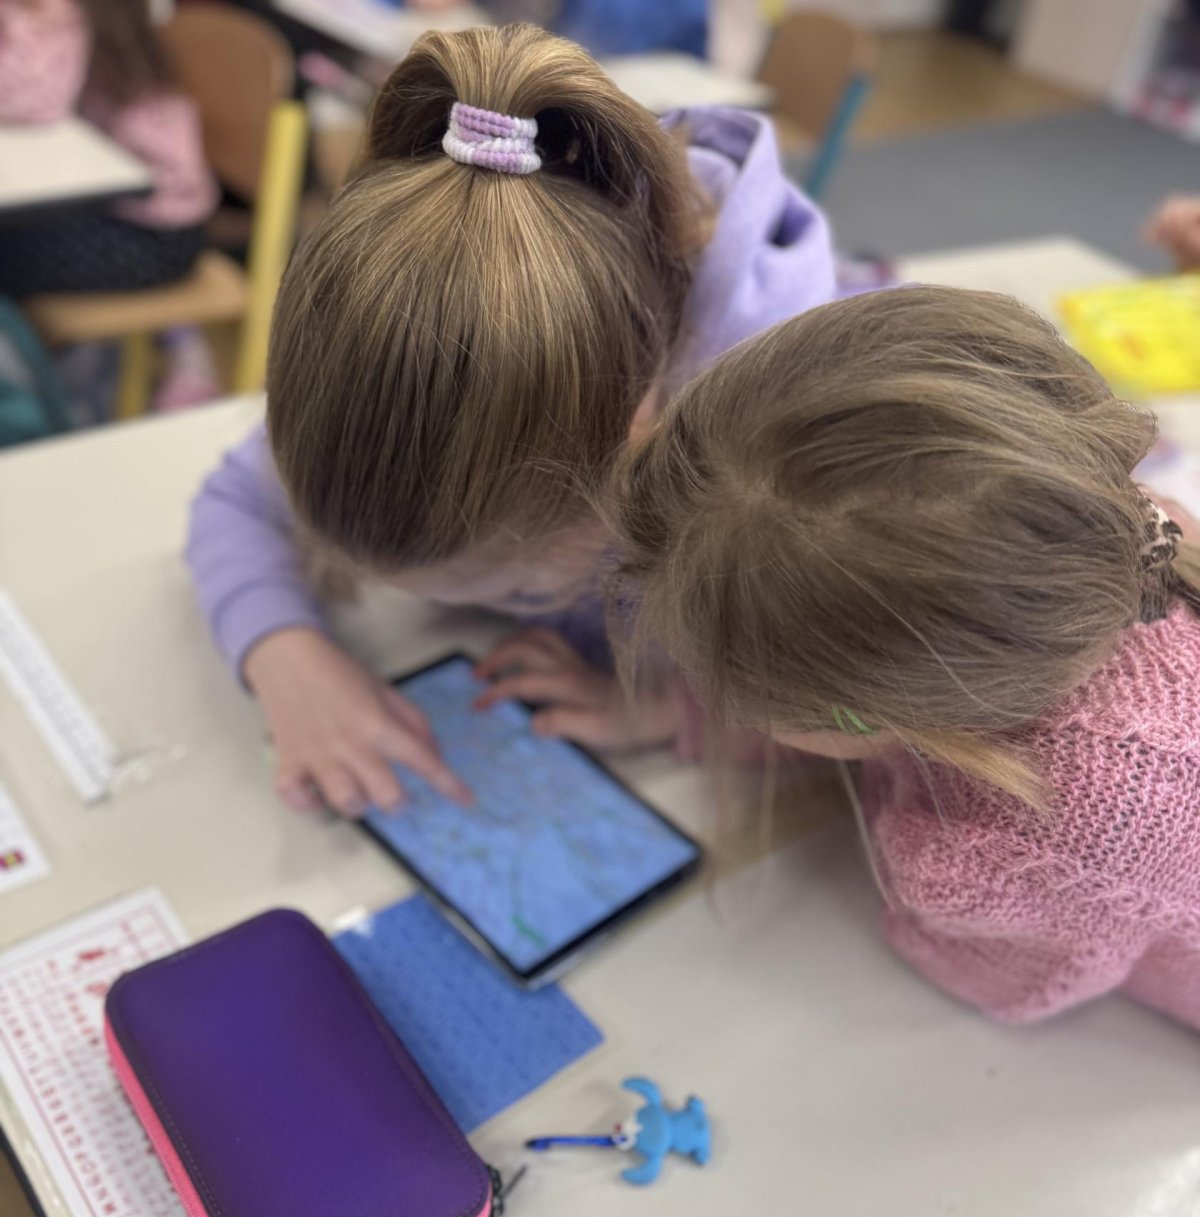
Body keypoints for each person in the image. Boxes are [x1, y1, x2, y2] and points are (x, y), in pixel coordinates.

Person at [186, 23, 835, 818]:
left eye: (518, 589)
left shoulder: (783, 479)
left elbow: (878, 720)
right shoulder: (455, 367)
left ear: (630, 449)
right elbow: (237, 500)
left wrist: (669, 713)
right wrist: (285, 653)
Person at [611, 284, 1200, 1030]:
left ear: (864, 716)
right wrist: (681, 716)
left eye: (726, 687)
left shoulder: (985, 850)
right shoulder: (1097, 522)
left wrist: (908, 880)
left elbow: (1016, 989)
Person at [0, 0, 217, 298]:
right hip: (110, 206)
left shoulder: (60, 15)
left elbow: (35, 105)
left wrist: (17, 16)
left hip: (154, 232)